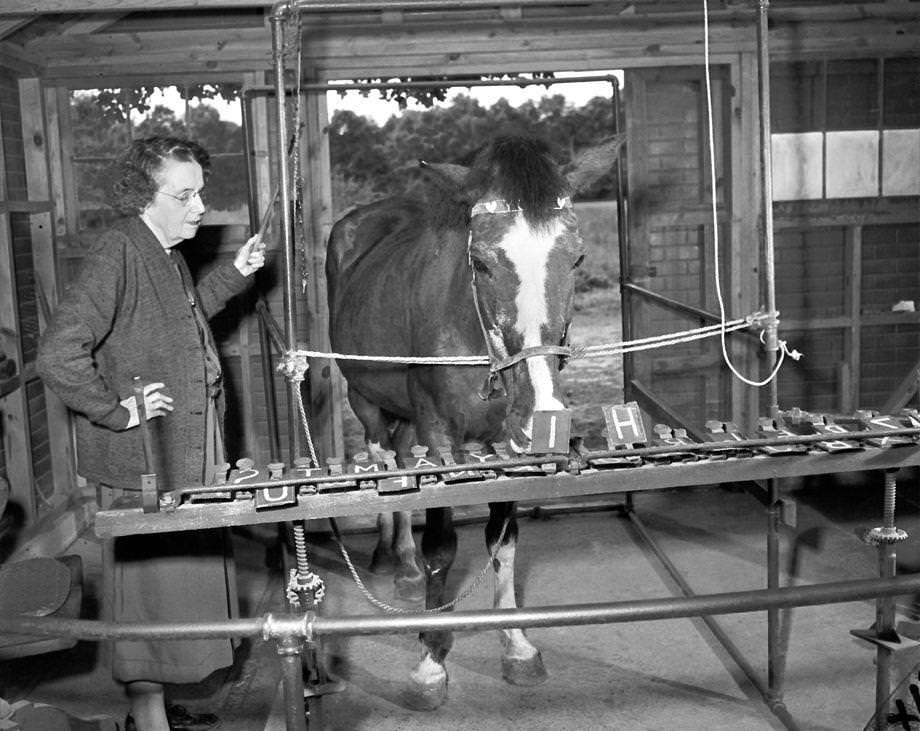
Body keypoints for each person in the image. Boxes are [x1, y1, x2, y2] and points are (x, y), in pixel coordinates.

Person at [36, 136, 266, 731]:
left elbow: (180, 319)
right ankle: (147, 714)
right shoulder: (119, 250)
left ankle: (160, 703)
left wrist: (235, 273)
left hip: (184, 457)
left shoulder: (164, 251)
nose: (199, 207)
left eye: (201, 193)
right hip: (148, 461)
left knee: (179, 601)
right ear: (144, 194)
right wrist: (116, 410)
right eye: (185, 195)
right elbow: (60, 354)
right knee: (149, 605)